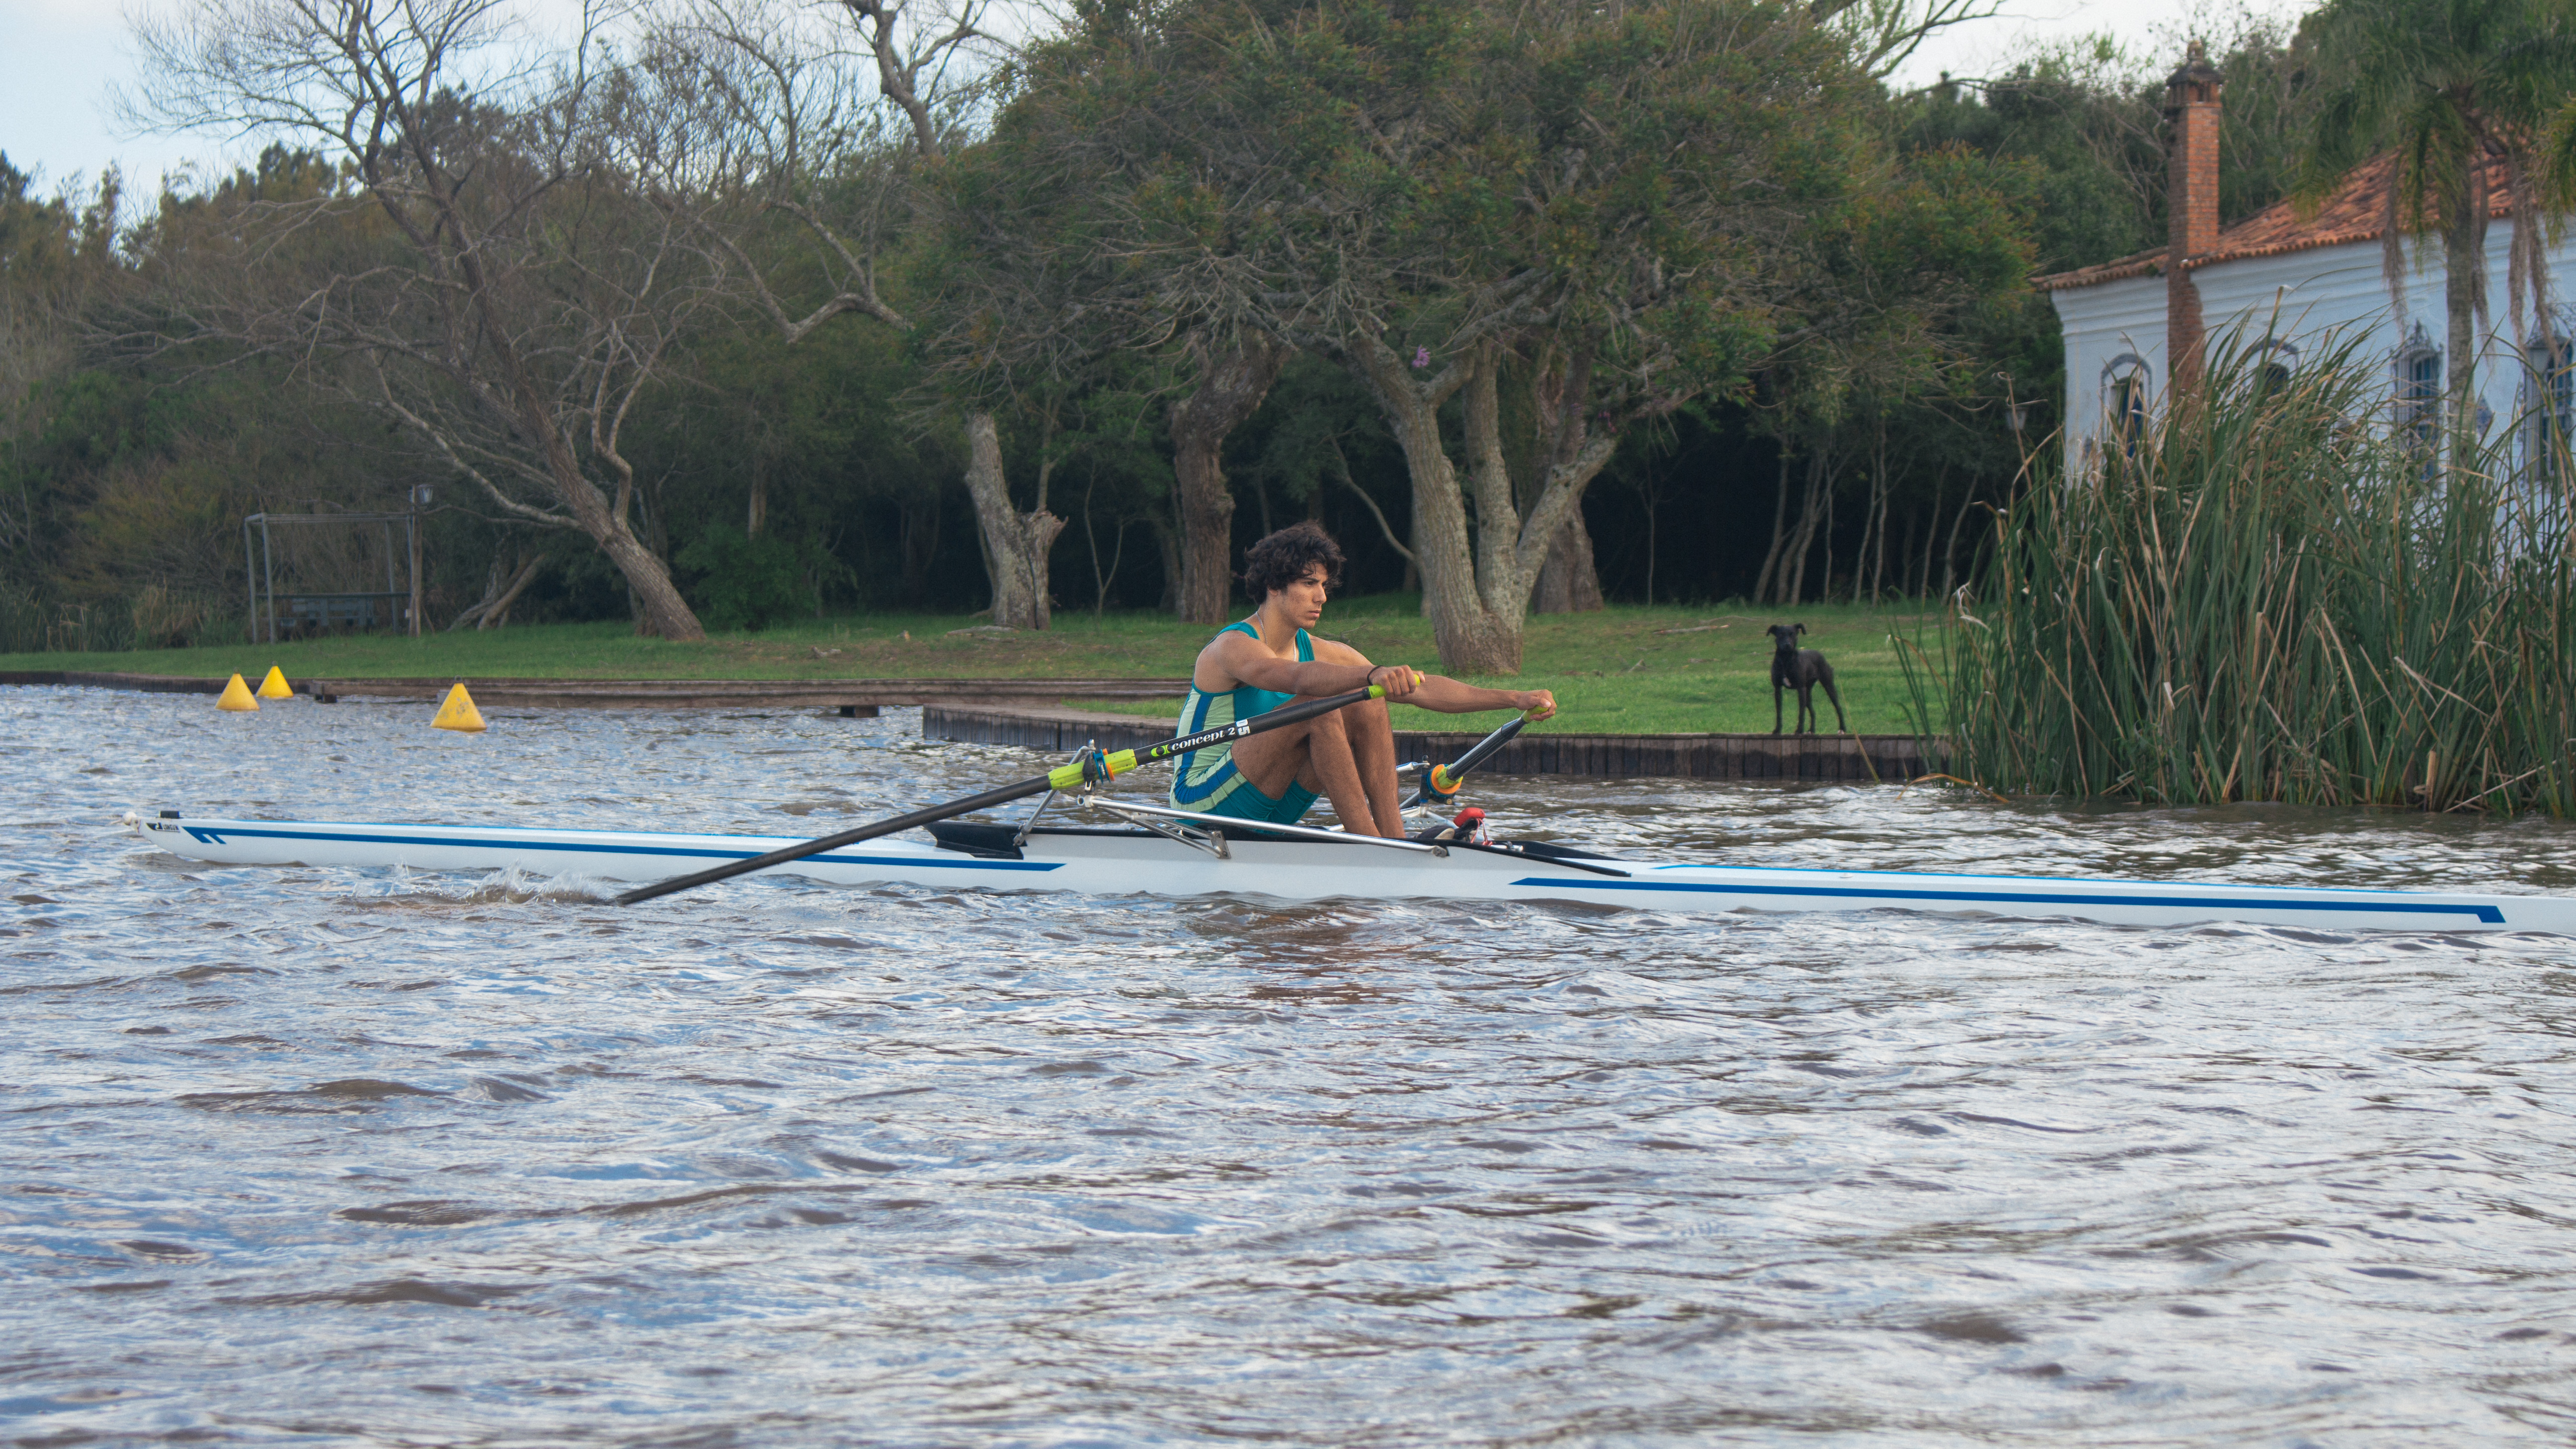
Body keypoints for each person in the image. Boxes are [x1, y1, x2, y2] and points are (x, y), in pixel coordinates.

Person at [1170, 522, 1555, 838]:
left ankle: (1393, 841)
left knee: (1367, 698)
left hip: (1272, 803)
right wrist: (1371, 674)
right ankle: (1372, 847)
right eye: (1309, 584)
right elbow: (1289, 675)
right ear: (1274, 586)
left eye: (1323, 585)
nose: (1321, 596)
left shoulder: (1323, 649)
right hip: (1203, 804)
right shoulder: (1232, 646)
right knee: (1318, 703)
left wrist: (1514, 697)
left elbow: (1420, 687)